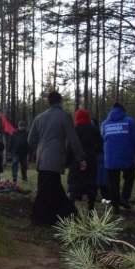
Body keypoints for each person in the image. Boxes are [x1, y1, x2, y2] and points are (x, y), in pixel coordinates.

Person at [28, 91, 86, 226]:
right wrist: (81, 158)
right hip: (55, 158)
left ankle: (66, 212)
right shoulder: (64, 116)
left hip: (42, 158)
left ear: (48, 102)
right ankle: (41, 219)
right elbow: (73, 139)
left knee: (52, 187)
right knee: (47, 190)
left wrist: (41, 148)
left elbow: (31, 139)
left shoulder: (39, 117)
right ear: (60, 101)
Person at [101, 102, 135, 213]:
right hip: (126, 155)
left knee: (113, 182)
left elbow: (103, 139)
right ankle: (124, 198)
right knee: (129, 177)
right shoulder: (129, 121)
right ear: (123, 111)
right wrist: (133, 152)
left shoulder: (105, 123)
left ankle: (115, 206)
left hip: (110, 157)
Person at [67, 109, 103, 211]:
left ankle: (70, 208)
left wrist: (68, 160)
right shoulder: (94, 129)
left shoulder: (74, 129)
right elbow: (100, 146)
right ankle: (90, 208)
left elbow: (70, 147)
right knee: (91, 184)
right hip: (91, 160)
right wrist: (93, 154)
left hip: (76, 160)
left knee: (74, 184)